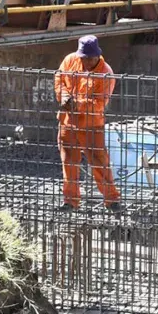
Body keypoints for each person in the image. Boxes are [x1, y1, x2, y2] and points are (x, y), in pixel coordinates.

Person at [54, 35, 121, 211]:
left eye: (90, 59)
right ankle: (70, 201)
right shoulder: (71, 60)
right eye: (83, 58)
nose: (86, 62)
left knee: (99, 162)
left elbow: (99, 103)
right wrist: (64, 97)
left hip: (92, 125)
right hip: (68, 123)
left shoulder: (106, 73)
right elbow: (59, 80)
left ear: (97, 55)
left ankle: (112, 200)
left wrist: (76, 103)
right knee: (69, 163)